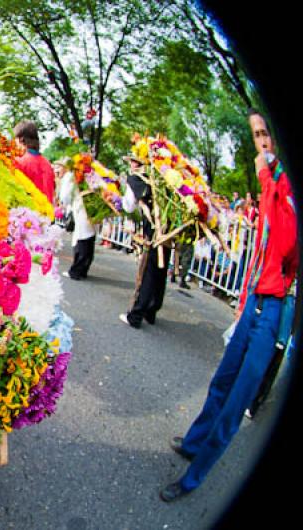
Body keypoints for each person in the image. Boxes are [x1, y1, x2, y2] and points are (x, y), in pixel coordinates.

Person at [159, 109, 298, 502]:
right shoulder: (277, 179)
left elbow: (286, 243)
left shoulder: (281, 184)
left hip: (274, 310)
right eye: (256, 135)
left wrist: (266, 178)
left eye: (265, 134)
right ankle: (192, 443)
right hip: (255, 298)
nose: (262, 142)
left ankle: (192, 479)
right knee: (221, 383)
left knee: (236, 402)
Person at [118, 156, 169, 328]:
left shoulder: (137, 179)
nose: (131, 164)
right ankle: (151, 311)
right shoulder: (163, 178)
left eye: (132, 161)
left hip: (155, 231)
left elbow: (129, 206)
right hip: (168, 230)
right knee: (160, 272)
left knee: (149, 272)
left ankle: (136, 315)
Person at [57, 158, 96, 280]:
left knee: (82, 239)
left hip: (80, 209)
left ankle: (76, 271)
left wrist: (65, 204)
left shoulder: (70, 176)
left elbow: (65, 197)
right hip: (91, 209)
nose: (57, 170)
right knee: (89, 238)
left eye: (59, 167)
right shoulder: (88, 174)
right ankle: (83, 269)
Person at [13, 121, 56, 204]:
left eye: (15, 140)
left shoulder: (20, 162)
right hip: (48, 213)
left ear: (21, 139)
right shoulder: (46, 162)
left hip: (31, 214)